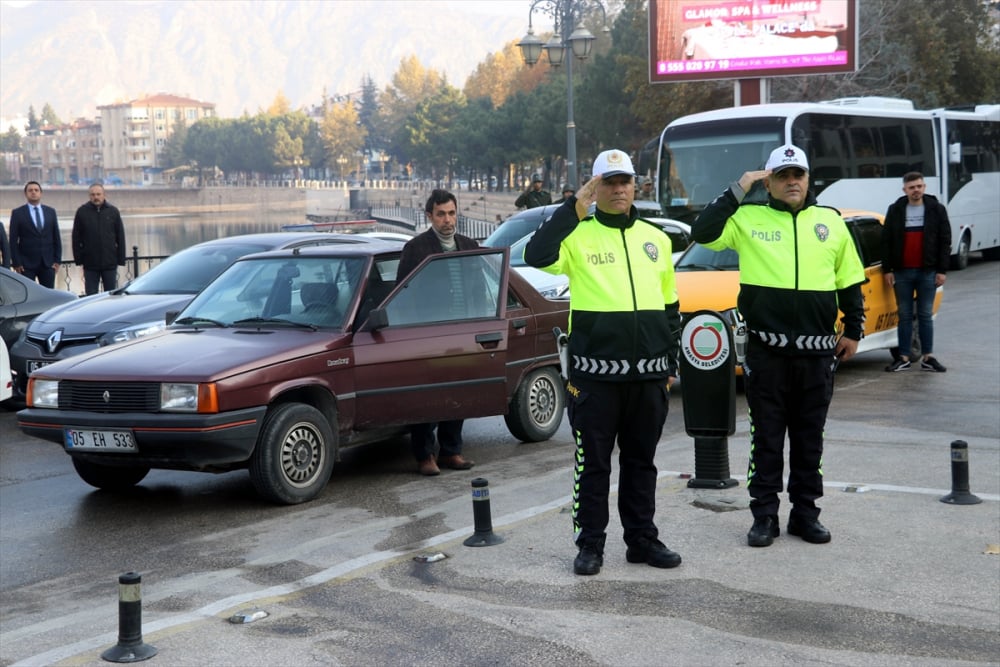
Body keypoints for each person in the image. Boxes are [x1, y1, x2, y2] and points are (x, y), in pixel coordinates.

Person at [692, 145, 865, 548]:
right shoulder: (747, 218)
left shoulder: (830, 222)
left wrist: (853, 330)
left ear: (808, 179)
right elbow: (702, 232)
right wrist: (740, 187)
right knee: (766, 439)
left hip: (817, 355)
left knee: (809, 440)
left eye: (798, 175)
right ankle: (764, 517)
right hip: (766, 353)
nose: (792, 182)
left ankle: (806, 515)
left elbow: (849, 281)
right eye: (783, 175)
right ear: (768, 181)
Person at [524, 149, 682, 575]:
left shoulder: (657, 239)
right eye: (608, 183)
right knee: (593, 465)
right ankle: (590, 544)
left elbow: (670, 307)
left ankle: (642, 540)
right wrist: (574, 207)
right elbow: (536, 255)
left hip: (648, 379)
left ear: (635, 186)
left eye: (624, 181)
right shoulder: (576, 236)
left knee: (641, 464)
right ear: (595, 188)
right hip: (594, 379)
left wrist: (669, 361)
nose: (618, 189)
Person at [395, 189, 478, 476]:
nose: (447, 219)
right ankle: (425, 455)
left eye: (452, 213)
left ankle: (451, 451)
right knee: (428, 397)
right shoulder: (416, 249)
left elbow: (478, 289)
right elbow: (403, 294)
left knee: (458, 394)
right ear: (429, 216)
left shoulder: (469, 245)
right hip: (429, 336)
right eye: (441, 214)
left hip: (462, 334)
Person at [880, 171, 951, 373]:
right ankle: (903, 357)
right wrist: (888, 269)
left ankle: (928, 357)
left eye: (919, 186)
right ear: (905, 190)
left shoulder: (936, 210)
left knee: (925, 315)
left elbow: (945, 241)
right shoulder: (895, 210)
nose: (916, 190)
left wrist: (942, 270)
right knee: (904, 316)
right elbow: (886, 242)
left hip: (928, 272)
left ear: (924, 187)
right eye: (912, 187)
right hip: (901, 273)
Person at [72, 183, 126, 295]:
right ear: (89, 196)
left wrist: (120, 259)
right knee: (91, 296)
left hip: (110, 262)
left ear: (104, 195)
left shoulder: (113, 211)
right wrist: (79, 259)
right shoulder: (82, 212)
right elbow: (76, 238)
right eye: (92, 194)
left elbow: (120, 236)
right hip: (90, 263)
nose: (96, 197)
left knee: (111, 295)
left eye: (98, 194)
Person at [8, 181, 62, 287]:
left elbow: (56, 237)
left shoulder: (50, 212)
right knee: (29, 297)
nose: (33, 192)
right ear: (26, 194)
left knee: (49, 297)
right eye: (30, 190)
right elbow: (13, 240)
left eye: (36, 190)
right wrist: (16, 262)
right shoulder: (18, 213)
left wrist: (57, 260)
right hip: (26, 265)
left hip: (48, 264)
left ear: (40, 193)